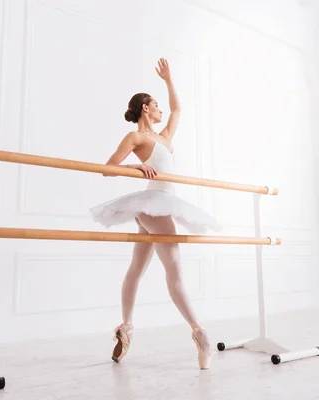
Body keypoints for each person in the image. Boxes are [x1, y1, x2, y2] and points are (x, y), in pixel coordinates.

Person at [90, 58, 221, 369]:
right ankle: (199, 332)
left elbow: (178, 110)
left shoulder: (164, 137)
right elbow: (107, 169)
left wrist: (169, 80)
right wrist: (135, 166)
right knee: (174, 268)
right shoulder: (137, 138)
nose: (161, 109)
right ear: (145, 109)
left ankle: (126, 327)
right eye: (156, 105)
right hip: (152, 204)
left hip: (163, 201)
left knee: (137, 267)